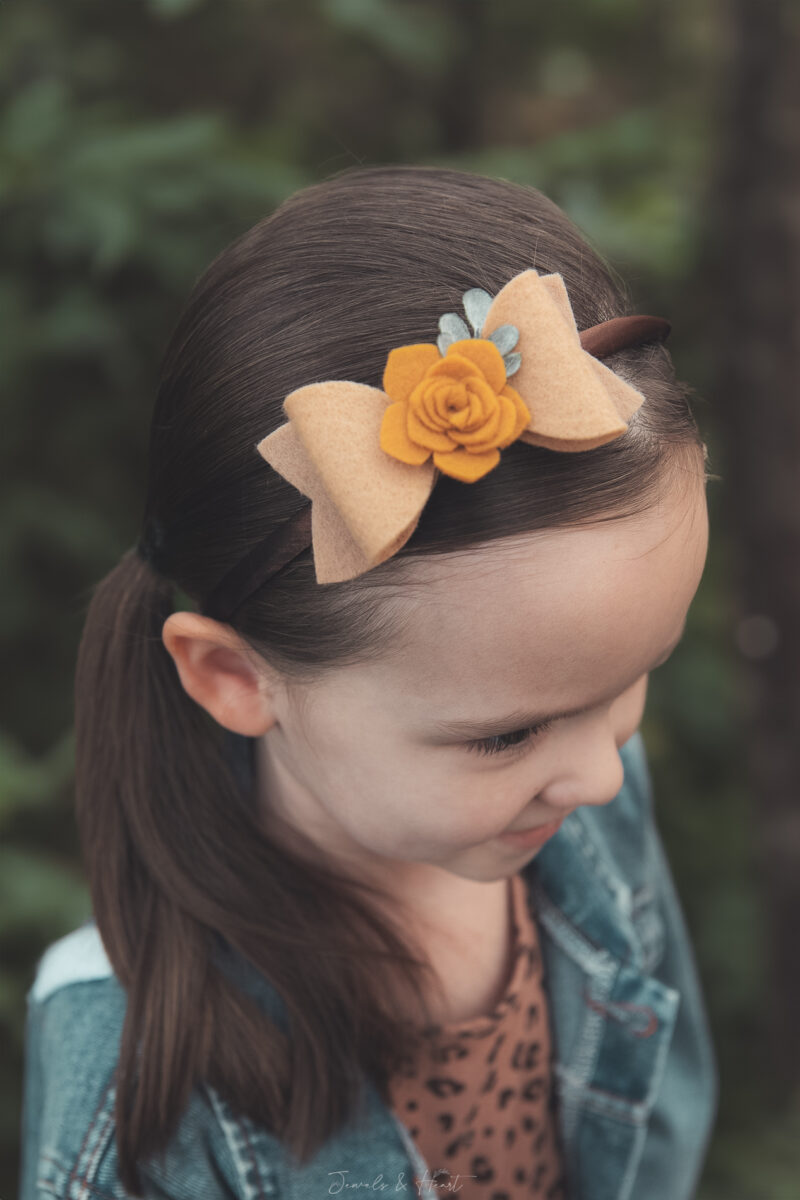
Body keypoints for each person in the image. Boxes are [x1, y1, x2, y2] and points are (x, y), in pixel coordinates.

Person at [17, 165, 719, 1200]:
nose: (600, 775)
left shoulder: (574, 813)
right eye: (503, 737)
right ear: (234, 677)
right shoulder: (139, 1084)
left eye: (629, 681)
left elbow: (653, 1134)